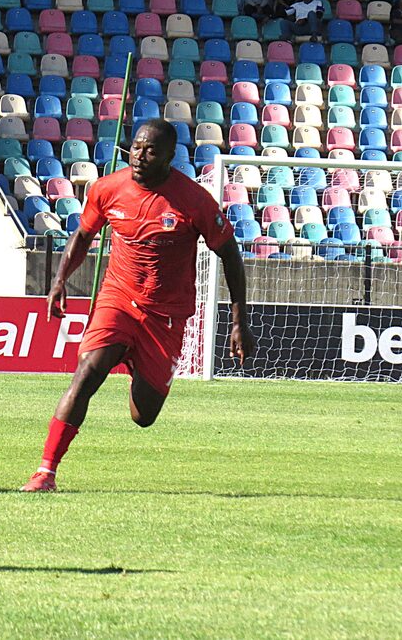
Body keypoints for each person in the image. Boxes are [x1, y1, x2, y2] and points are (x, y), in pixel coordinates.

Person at [19, 120, 255, 492]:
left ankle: (135, 362)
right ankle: (45, 471)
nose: (140, 156)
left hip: (165, 314)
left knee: (143, 416)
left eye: (151, 151)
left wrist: (239, 321)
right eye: (137, 148)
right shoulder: (107, 188)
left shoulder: (193, 200)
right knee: (87, 373)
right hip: (118, 299)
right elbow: (83, 235)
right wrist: (60, 280)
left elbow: (230, 254)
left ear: (170, 156)